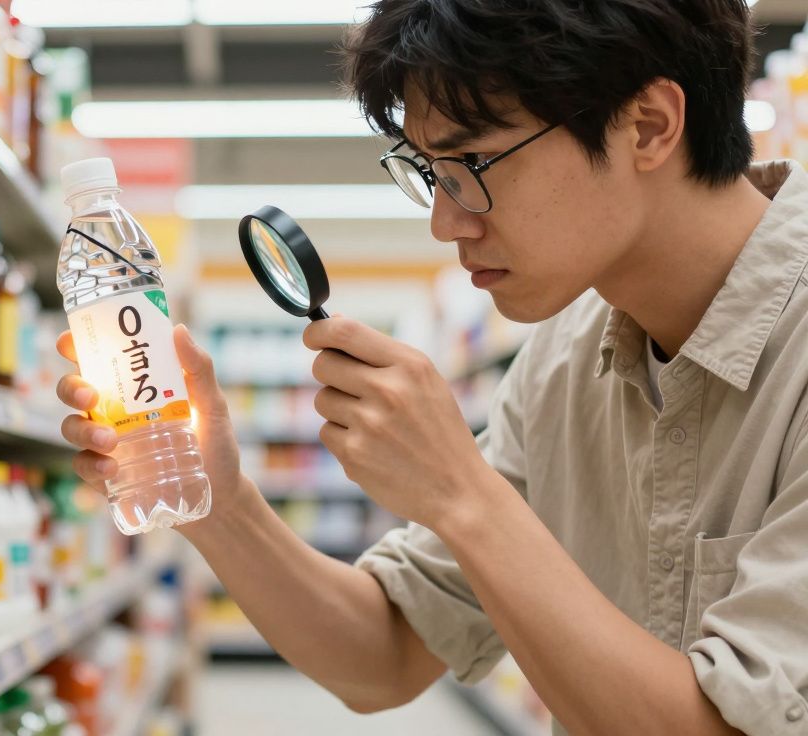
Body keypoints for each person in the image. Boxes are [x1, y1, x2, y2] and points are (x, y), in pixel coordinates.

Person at [57, 1, 808, 734]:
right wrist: (220, 505)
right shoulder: (562, 359)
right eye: (432, 172)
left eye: (473, 162)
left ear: (648, 125)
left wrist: (461, 492)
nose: (446, 221)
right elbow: (383, 656)